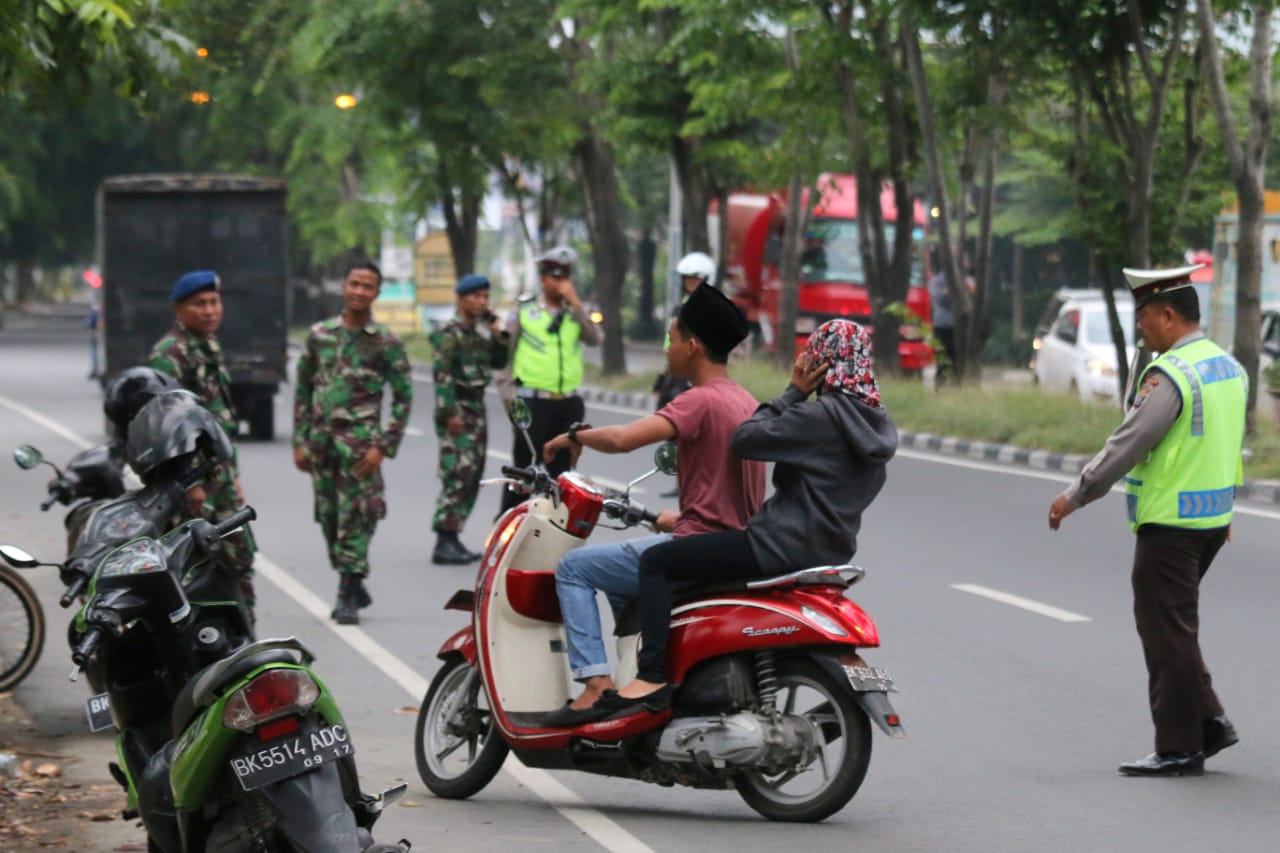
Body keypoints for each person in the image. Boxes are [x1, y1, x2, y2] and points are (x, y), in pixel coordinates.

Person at [606, 320, 898, 711]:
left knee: (657, 562)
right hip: (829, 554)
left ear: (823, 363)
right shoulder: (877, 428)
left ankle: (651, 677)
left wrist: (794, 392)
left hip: (775, 547)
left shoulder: (821, 417)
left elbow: (745, 439)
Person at [1047, 263, 1244, 778]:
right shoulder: (1228, 367)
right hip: (1211, 522)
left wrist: (1077, 492)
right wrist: (1226, 512)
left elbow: (1130, 442)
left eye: (1144, 318)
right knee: (1175, 625)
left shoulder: (1173, 375)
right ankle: (1211, 721)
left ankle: (1179, 747)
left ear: (1169, 315)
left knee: (1165, 632)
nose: (1141, 327)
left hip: (1171, 526)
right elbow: (1227, 446)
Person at [538, 283, 767, 726]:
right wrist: (680, 515)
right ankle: (632, 676)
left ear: (693, 345)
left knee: (575, 569)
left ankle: (596, 686)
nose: (667, 350)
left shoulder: (699, 400)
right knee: (625, 579)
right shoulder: (745, 401)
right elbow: (731, 489)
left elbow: (624, 440)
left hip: (698, 549)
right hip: (730, 543)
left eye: (671, 339)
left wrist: (573, 436)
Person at [293, 261, 413, 625]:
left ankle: (348, 589)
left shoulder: (386, 343)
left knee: (358, 517)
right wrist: (300, 440)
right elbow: (303, 387)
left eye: (368, 286)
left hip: (361, 448)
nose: (360, 291)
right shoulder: (319, 335)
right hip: (322, 446)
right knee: (329, 518)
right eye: (355, 283)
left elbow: (403, 397)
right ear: (344, 287)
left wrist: (384, 446)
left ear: (376, 293)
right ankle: (352, 577)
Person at [150, 270, 256, 612]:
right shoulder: (171, 353)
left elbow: (217, 420)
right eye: (200, 304)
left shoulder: (206, 344)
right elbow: (171, 425)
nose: (210, 310)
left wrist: (234, 476)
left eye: (214, 302)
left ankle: (242, 638)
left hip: (219, 478)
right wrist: (192, 484)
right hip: (193, 487)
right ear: (179, 309)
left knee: (238, 561)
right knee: (195, 566)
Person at [495, 246, 603, 514]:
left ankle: (552, 530)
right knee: (523, 471)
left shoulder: (576, 312)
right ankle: (506, 525)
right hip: (532, 401)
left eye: (565, 276)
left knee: (562, 475)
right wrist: (510, 400)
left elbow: (596, 339)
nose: (561, 282)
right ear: (543, 279)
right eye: (555, 276)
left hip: (568, 403)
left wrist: (577, 305)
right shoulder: (525, 309)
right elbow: (504, 358)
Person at [429, 273, 510, 565]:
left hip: (475, 407)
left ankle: (453, 536)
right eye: (476, 296)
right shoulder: (450, 332)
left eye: (485, 297)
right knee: (457, 472)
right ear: (462, 298)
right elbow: (442, 374)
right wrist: (450, 413)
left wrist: (498, 332)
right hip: (458, 408)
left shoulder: (479, 331)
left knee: (473, 473)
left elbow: (499, 362)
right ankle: (444, 538)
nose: (481, 302)